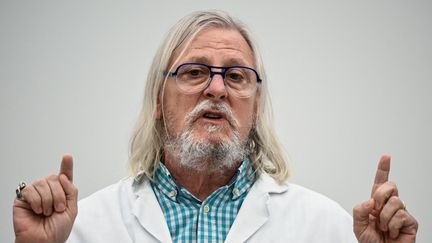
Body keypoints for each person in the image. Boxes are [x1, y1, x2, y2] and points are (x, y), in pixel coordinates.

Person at [13, 10, 418, 243]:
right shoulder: (82, 228)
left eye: (237, 76)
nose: (218, 88)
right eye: (195, 72)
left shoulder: (327, 228)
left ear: (256, 108)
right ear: (158, 99)